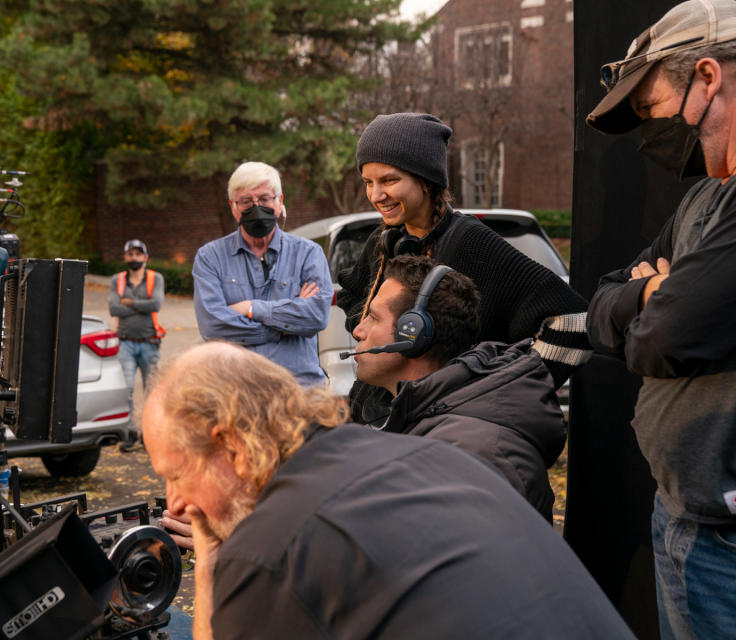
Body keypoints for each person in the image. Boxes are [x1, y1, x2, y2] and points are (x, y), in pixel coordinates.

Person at [143, 342, 634, 640]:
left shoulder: (273, 547)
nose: (175, 503)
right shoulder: (426, 453)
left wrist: (212, 559)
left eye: (177, 474)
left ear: (230, 443)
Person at [585, 1, 736, 636]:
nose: (651, 130)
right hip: (677, 513)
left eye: (650, 108)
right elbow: (601, 304)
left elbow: (668, 340)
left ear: (708, 78)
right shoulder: (704, 196)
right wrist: (648, 296)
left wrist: (652, 307)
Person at [336, 113, 591, 424]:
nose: (376, 195)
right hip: (378, 421)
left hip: (447, 432)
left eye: (389, 180)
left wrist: (503, 391)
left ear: (427, 181)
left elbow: (575, 323)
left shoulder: (471, 243)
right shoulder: (386, 240)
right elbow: (353, 294)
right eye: (368, 182)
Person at [352, 255, 565, 521]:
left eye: (373, 317)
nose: (358, 331)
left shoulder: (477, 454)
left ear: (413, 335)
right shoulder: (427, 420)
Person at [192, 161, 332, 386]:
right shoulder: (210, 257)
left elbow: (316, 316)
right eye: (246, 201)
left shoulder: (308, 253)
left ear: (279, 202)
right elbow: (213, 327)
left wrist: (251, 308)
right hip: (238, 392)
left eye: (265, 199)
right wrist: (284, 328)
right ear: (233, 207)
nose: (256, 208)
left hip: (299, 390)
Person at [109, 238, 164, 452]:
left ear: (145, 257)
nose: (134, 258)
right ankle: (129, 433)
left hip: (149, 342)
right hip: (125, 343)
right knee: (127, 390)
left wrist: (129, 303)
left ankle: (149, 435)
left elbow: (156, 304)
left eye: (138, 254)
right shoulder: (117, 280)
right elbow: (114, 309)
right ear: (125, 257)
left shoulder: (155, 278)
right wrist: (143, 307)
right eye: (130, 254)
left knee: (151, 391)